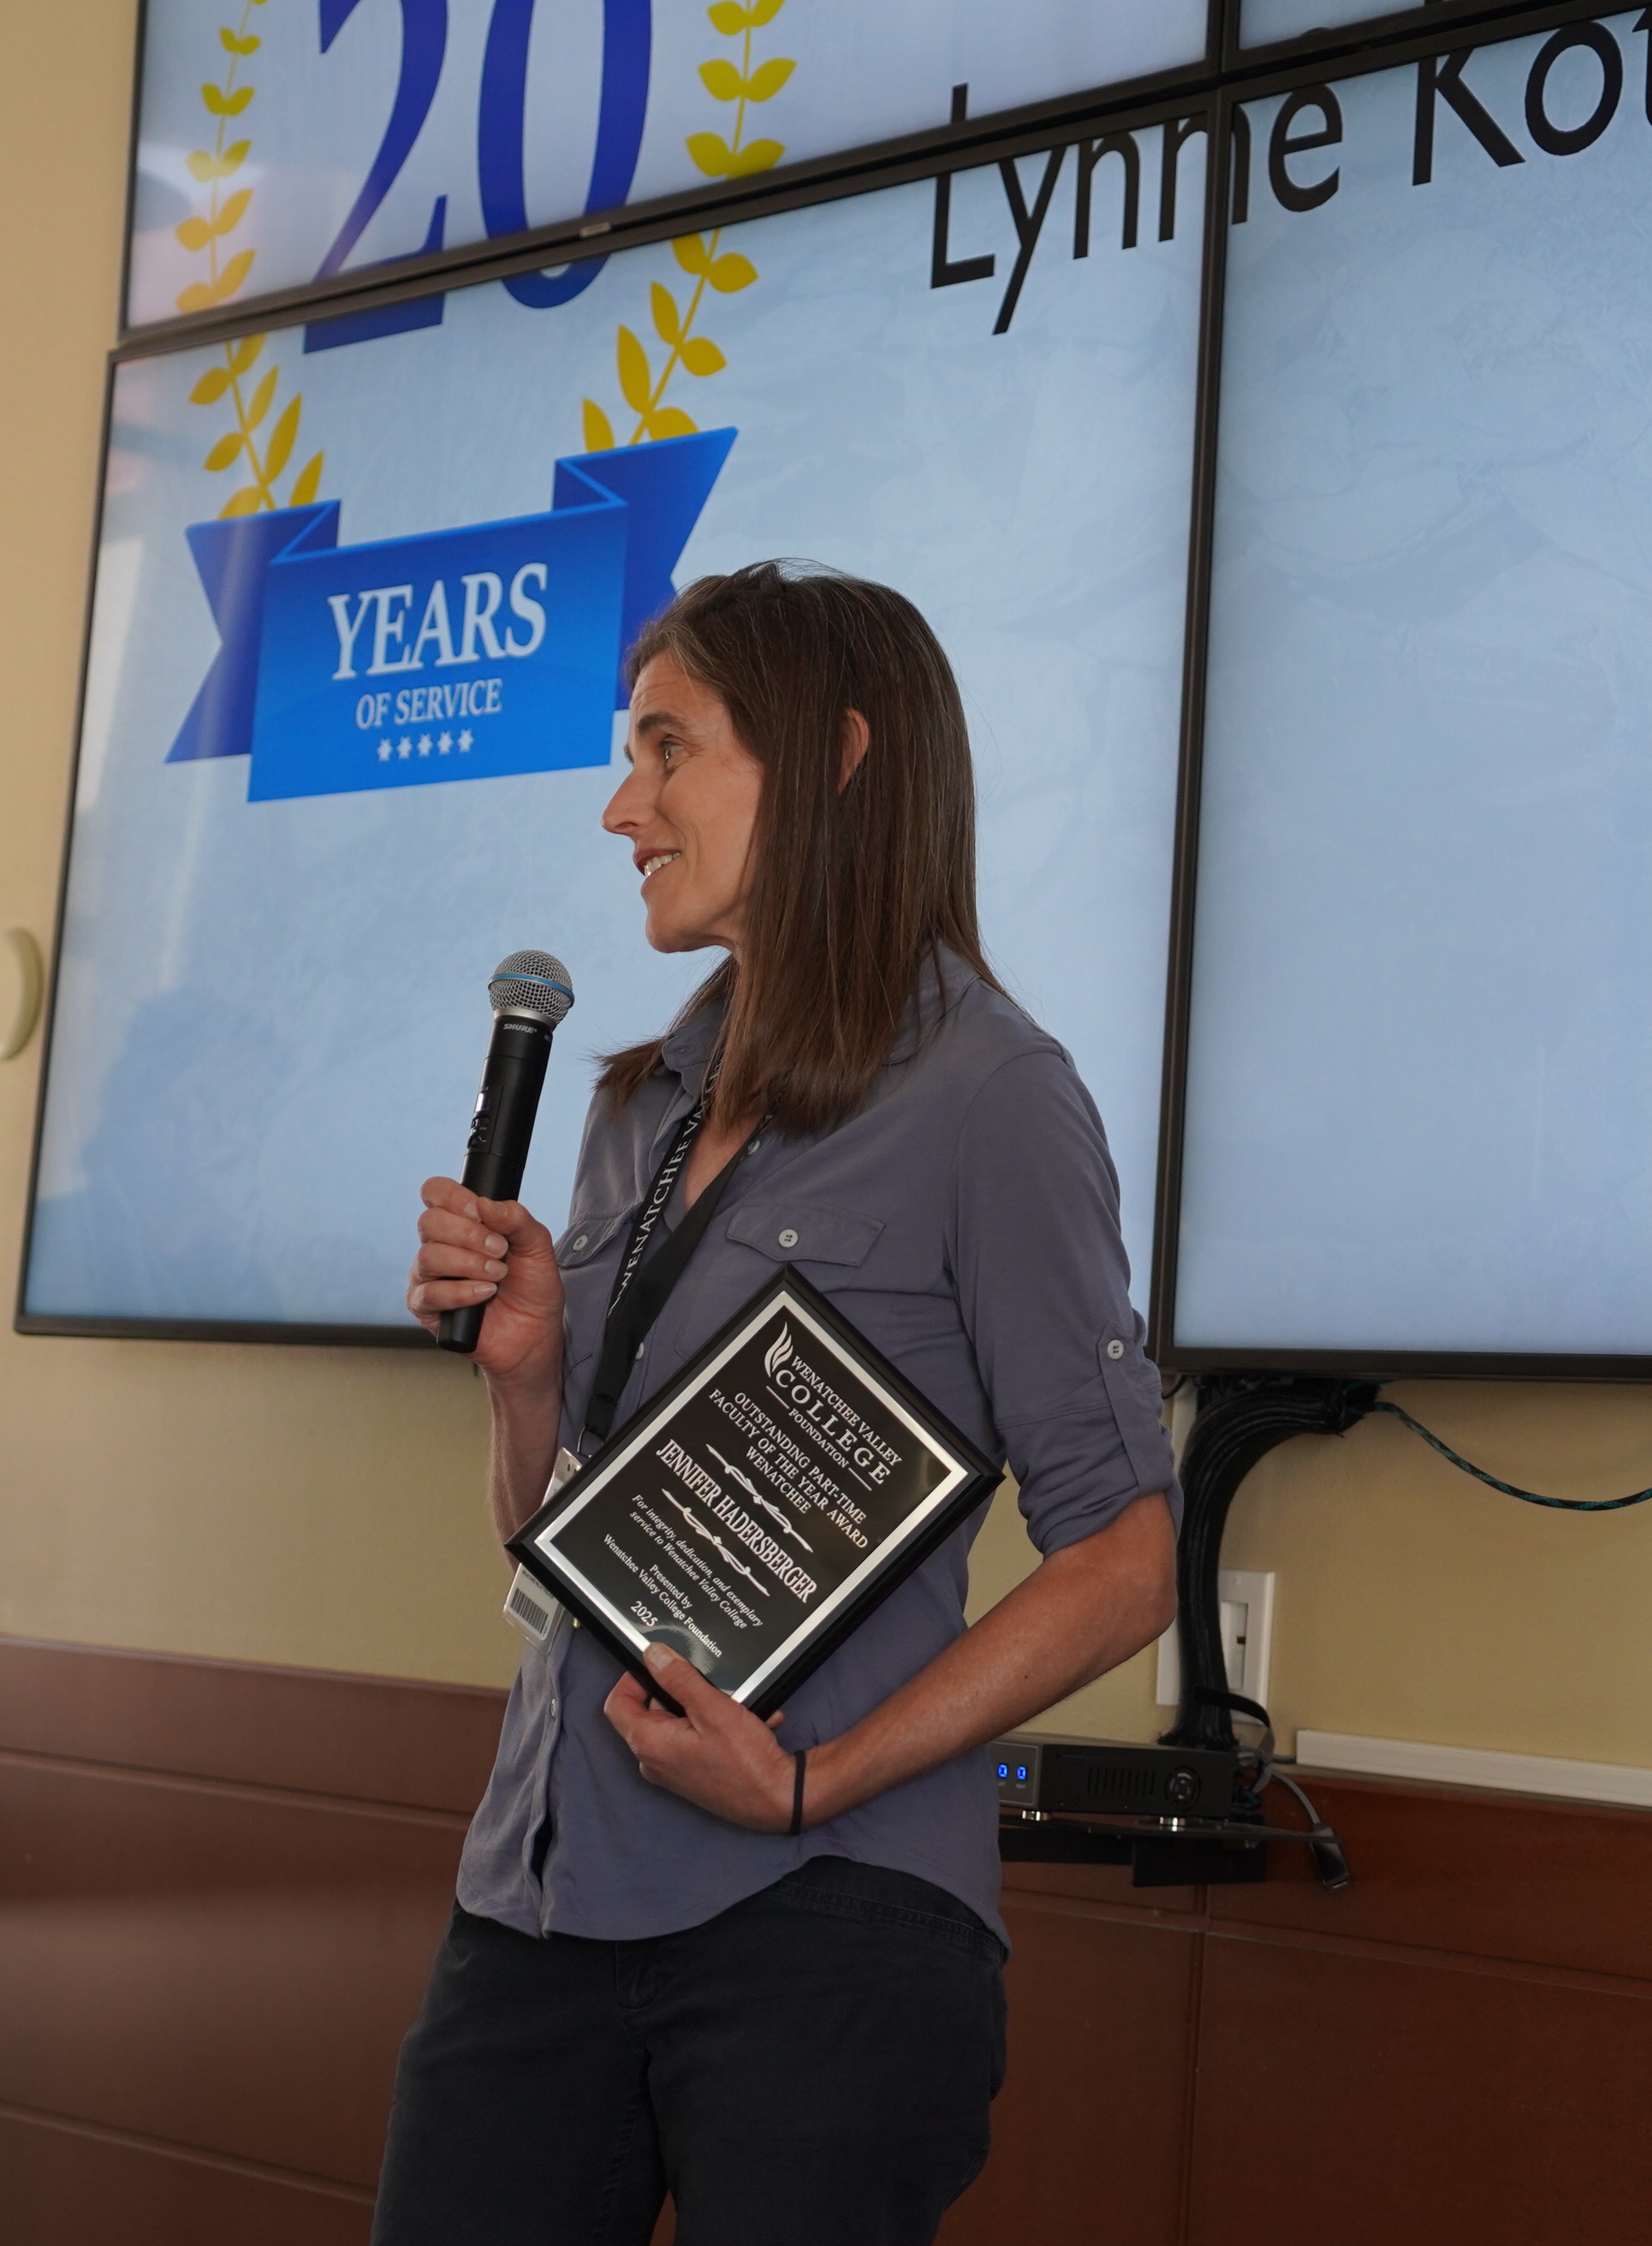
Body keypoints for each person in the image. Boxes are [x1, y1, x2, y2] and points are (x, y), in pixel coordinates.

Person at [380, 562, 1179, 2245]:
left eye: (667, 749)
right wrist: (525, 1382)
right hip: (541, 1891)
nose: (623, 809)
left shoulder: (995, 1097)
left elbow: (1124, 1561)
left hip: (825, 1917)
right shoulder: (640, 1104)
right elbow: (555, 1548)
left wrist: (815, 1783)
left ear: (835, 757)